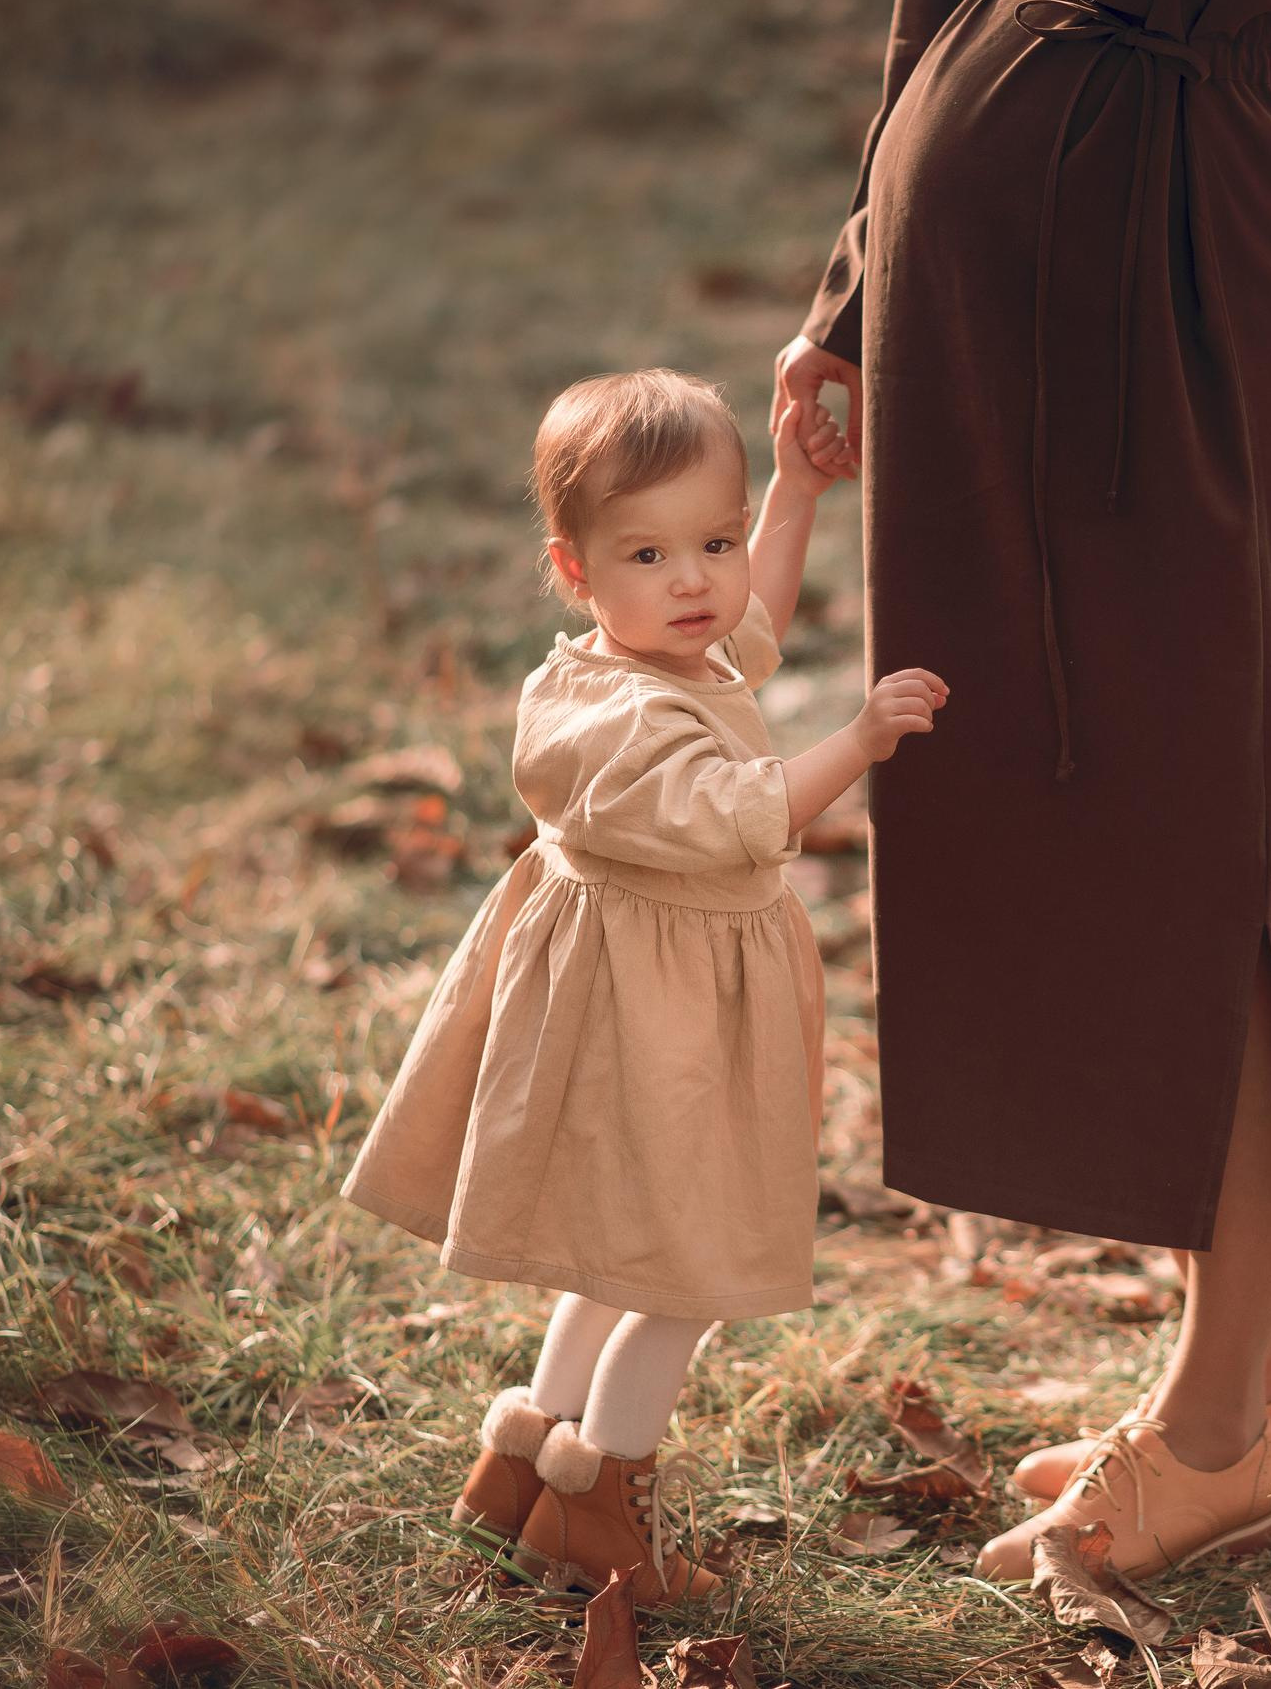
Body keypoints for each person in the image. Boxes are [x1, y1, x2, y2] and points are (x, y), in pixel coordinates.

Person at [774, 0, 1271, 1580]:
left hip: (1207, 214)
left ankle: (1208, 1443)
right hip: (981, 244)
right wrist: (860, 273)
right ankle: (1269, 1383)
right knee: (1125, 801)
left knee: (1252, 808)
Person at [340, 368, 947, 1605]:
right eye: (652, 553)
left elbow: (752, 619)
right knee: (684, 1269)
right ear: (575, 572)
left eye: (711, 543)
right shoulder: (608, 724)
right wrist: (859, 741)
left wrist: (794, 494)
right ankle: (600, 1505)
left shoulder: (670, 650)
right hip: (652, 1019)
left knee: (619, 1261)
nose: (696, 582)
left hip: (652, 998)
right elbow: (742, 813)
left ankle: (522, 1468)